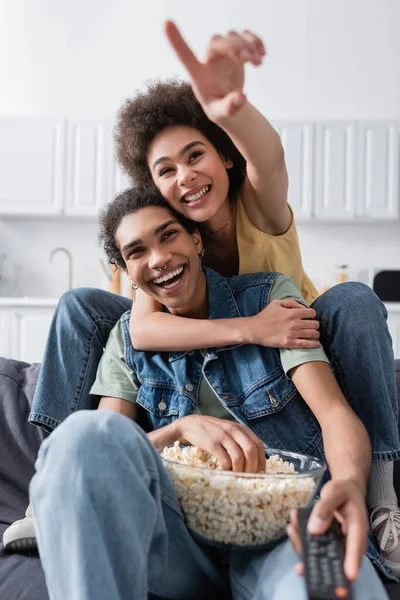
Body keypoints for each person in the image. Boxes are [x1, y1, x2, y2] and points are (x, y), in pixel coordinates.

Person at [3, 22, 400, 579]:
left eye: (198, 156)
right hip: (248, 340)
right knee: (79, 308)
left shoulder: (255, 210)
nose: (186, 177)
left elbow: (270, 159)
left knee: (354, 300)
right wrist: (248, 331)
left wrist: (230, 110)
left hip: (298, 329)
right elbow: (141, 333)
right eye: (166, 170)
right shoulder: (167, 261)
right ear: (152, 187)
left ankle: (382, 502)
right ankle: (48, 494)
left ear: (226, 159)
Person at [29, 188, 389, 600]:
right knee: (83, 435)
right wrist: (181, 429)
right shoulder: (126, 338)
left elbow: (333, 413)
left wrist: (347, 481)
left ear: (196, 240)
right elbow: (111, 449)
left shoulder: (267, 299)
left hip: (279, 529)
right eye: (137, 252)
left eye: (168, 236)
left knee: (327, 587)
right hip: (177, 540)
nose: (158, 258)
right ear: (128, 272)